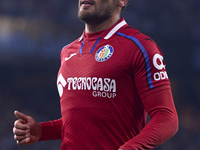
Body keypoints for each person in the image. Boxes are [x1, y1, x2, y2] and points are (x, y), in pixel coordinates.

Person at [13, 0, 179, 149]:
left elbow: (166, 118)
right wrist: (42, 131)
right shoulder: (67, 51)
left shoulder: (140, 47)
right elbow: (84, 122)